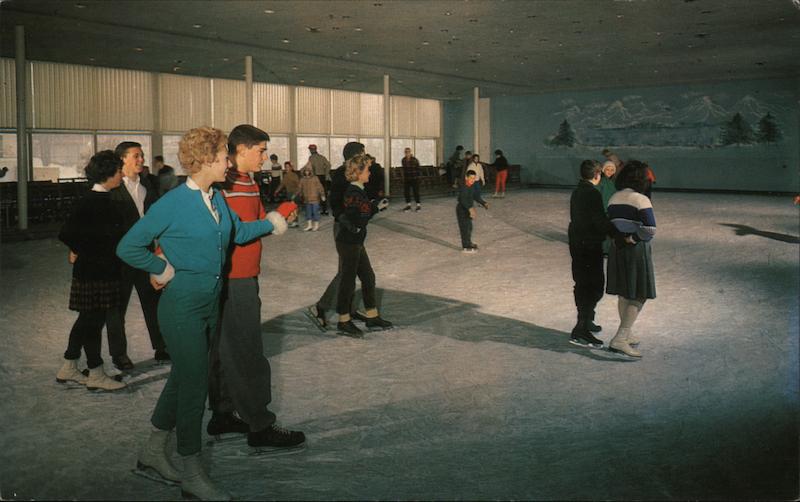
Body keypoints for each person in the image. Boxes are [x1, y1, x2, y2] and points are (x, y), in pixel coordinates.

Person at [117, 126, 284, 500]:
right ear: (207, 160)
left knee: (183, 378)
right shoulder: (174, 202)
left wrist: (272, 223)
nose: (229, 163)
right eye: (225, 157)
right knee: (193, 389)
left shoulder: (216, 198)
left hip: (208, 305)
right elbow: (128, 246)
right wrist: (161, 268)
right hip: (182, 309)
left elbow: (238, 233)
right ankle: (192, 473)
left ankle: (153, 450)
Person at [206, 124, 304, 450]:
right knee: (247, 351)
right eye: (260, 151)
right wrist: (276, 218)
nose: (265, 157)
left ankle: (222, 412)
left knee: (225, 348)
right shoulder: (225, 182)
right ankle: (260, 425)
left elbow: (258, 220)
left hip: (241, 274)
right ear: (242, 150)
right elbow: (235, 232)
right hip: (234, 278)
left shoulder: (247, 181)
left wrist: (279, 217)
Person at [56, 150, 127, 392]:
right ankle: (95, 372)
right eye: (119, 171)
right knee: (93, 322)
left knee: (87, 319)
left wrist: (81, 249)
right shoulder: (93, 201)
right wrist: (85, 250)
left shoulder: (100, 199)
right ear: (108, 173)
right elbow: (66, 233)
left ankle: (69, 365)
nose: (122, 175)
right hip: (96, 272)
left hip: (95, 271)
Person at [106, 141, 167, 371]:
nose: (142, 159)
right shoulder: (112, 188)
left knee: (154, 301)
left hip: (146, 252)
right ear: (122, 159)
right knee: (117, 308)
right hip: (120, 257)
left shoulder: (148, 185)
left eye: (142, 155)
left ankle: (162, 346)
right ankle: (119, 354)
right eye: (136, 156)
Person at [306, 142, 368, 330]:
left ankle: (348, 308)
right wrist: (347, 222)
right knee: (346, 271)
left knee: (353, 270)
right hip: (344, 229)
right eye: (362, 153)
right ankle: (320, 307)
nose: (365, 156)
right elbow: (336, 204)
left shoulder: (356, 173)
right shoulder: (342, 175)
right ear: (354, 155)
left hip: (354, 229)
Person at [334, 154, 392, 337]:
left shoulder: (358, 190)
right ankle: (343, 320)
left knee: (368, 277)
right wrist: (372, 210)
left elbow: (362, 211)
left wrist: (374, 207)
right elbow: (357, 216)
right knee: (348, 281)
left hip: (355, 241)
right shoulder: (353, 192)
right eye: (367, 169)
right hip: (349, 242)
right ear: (358, 172)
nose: (369, 173)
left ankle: (372, 316)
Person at [567, 160, 621, 348]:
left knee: (584, 283)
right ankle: (581, 328)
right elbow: (599, 221)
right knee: (593, 286)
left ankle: (586, 320)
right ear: (597, 175)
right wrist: (617, 233)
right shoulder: (592, 193)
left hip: (578, 243)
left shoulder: (577, 191)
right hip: (589, 244)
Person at [606, 160, 657, 358]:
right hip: (636, 250)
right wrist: (633, 238)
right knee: (639, 294)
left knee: (624, 293)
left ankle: (626, 333)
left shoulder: (614, 198)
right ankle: (620, 337)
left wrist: (621, 237)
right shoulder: (641, 200)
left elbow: (610, 224)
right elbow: (650, 229)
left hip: (617, 249)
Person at [456, 169, 488, 254]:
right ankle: (466, 246)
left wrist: (483, 203)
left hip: (468, 209)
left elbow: (476, 196)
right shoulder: (464, 187)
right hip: (462, 209)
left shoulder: (472, 186)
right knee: (464, 228)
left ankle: (468, 242)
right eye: (471, 178)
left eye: (474, 178)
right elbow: (463, 200)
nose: (472, 180)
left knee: (469, 227)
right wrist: (470, 209)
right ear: (466, 178)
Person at [597, 161, 618, 256]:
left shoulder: (613, 182)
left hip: (611, 210)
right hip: (603, 209)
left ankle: (609, 249)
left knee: (610, 229)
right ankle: (604, 250)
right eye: (607, 169)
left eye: (612, 170)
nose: (609, 171)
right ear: (603, 170)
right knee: (605, 230)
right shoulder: (601, 181)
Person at [297, 165, 326, 231]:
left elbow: (320, 187)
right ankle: (309, 225)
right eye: (305, 171)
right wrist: (297, 194)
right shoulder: (302, 179)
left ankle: (316, 225)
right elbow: (299, 188)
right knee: (308, 212)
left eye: (308, 171)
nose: (307, 172)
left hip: (315, 199)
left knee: (315, 212)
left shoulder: (315, 178)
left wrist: (322, 195)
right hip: (307, 199)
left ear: (311, 171)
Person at [307, 144, 331, 215]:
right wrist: (326, 173)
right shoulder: (322, 157)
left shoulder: (311, 158)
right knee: (323, 193)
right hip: (322, 177)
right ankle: (325, 209)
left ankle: (316, 210)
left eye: (310, 149)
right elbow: (328, 165)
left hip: (315, 177)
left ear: (311, 150)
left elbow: (311, 168)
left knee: (315, 193)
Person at [401, 147, 421, 212]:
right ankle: (408, 205)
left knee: (416, 192)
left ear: (410, 152)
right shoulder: (403, 160)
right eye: (406, 152)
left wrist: (418, 178)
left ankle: (418, 205)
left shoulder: (415, 160)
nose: (407, 153)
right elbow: (404, 169)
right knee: (406, 192)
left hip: (414, 178)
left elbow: (418, 169)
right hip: (407, 179)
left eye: (408, 152)